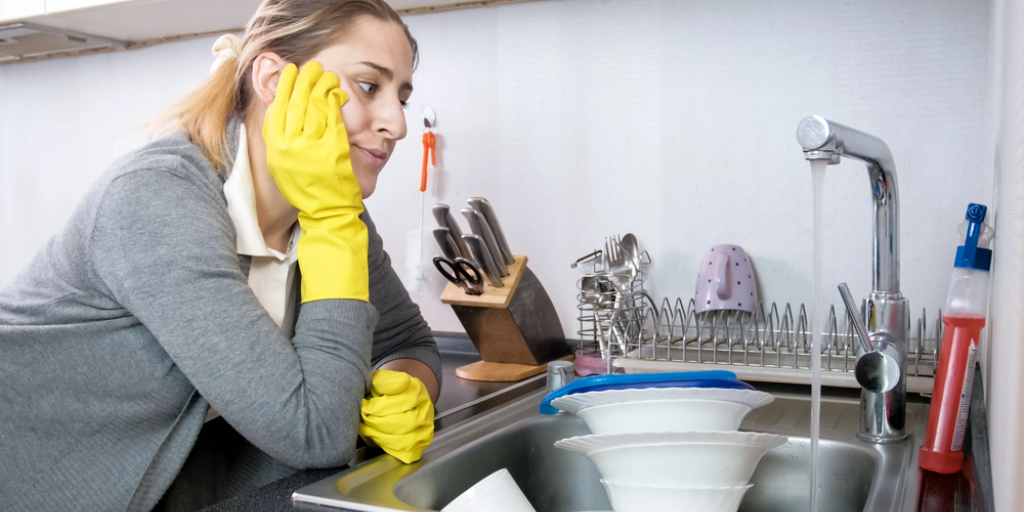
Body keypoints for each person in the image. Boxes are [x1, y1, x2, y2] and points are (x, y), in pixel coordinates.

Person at [0, 1, 439, 510]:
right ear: (274, 80)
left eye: (401, 98)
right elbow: (314, 433)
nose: (396, 124)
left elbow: (408, 341)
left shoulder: (327, 209)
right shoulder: (157, 197)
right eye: (369, 86)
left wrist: (408, 384)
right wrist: (334, 223)